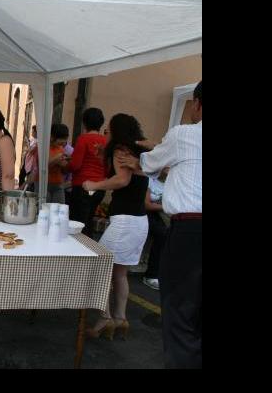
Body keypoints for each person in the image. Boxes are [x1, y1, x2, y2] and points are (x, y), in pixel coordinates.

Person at [117, 81, 202, 369]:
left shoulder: (184, 135)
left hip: (191, 233)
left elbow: (152, 164)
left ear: (197, 105)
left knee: (180, 311)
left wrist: (136, 157)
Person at [82, 113, 149, 341]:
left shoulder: (120, 149)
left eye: (108, 130)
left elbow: (122, 180)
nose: (105, 133)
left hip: (125, 221)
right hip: (139, 220)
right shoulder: (138, 151)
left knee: (101, 270)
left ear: (117, 131)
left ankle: (105, 318)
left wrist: (95, 184)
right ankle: (120, 318)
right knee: (120, 274)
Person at [67, 107, 107, 237]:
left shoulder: (83, 139)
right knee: (88, 219)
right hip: (100, 187)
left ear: (84, 122)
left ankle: (79, 251)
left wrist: (65, 166)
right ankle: (88, 248)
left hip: (83, 186)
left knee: (78, 222)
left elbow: (75, 165)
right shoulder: (105, 141)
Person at [142, 168, 170, 291]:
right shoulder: (149, 179)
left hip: (159, 214)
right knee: (162, 233)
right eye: (167, 165)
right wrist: (165, 206)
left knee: (170, 233)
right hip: (143, 212)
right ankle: (151, 275)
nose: (169, 168)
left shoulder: (171, 183)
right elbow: (146, 204)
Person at [47, 123, 70, 204]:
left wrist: (66, 164)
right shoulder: (44, 147)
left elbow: (64, 170)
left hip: (58, 184)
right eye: (60, 142)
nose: (63, 144)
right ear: (52, 137)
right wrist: (56, 159)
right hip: (45, 184)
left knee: (60, 210)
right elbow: (44, 166)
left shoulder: (60, 149)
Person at [20, 125, 38, 193]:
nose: (32, 133)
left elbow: (31, 150)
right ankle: (21, 190)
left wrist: (28, 144)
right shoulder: (33, 140)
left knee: (29, 179)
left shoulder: (37, 142)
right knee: (21, 176)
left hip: (31, 163)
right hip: (27, 161)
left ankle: (26, 191)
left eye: (33, 131)